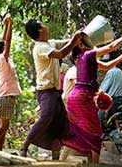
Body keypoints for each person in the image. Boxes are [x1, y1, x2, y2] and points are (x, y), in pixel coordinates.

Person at [61, 31, 122, 163]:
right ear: (81, 46)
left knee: (80, 131)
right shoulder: (88, 55)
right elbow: (111, 47)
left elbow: (106, 66)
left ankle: (73, 160)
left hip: (75, 99)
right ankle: (94, 163)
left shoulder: (82, 59)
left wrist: (121, 57)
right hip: (82, 98)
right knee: (95, 132)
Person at [18, 20, 84, 159]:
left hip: (54, 92)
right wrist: (74, 41)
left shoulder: (50, 43)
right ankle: (24, 146)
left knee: (59, 125)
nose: (46, 26)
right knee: (46, 116)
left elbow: (67, 42)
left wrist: (79, 38)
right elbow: (60, 54)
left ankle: (55, 157)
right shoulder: (40, 47)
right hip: (45, 91)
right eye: (43, 24)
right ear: (40, 30)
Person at [0, 14, 21, 150]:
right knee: (3, 126)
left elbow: (4, 41)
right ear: (2, 50)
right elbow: (7, 40)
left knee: (3, 127)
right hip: (5, 96)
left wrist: (7, 24)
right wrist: (10, 24)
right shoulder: (3, 59)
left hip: (3, 96)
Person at [98, 51, 122, 124]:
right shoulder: (119, 71)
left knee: (99, 119)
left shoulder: (111, 72)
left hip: (112, 101)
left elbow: (103, 89)